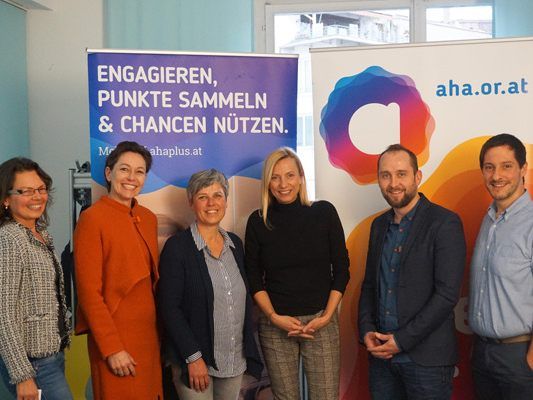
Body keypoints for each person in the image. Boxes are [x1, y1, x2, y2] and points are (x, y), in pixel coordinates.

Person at [358, 144, 466, 400]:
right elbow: (370, 286)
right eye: (385, 175)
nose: (393, 183)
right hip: (382, 360)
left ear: (417, 177)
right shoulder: (378, 225)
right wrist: (366, 331)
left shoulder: (444, 222)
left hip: (427, 361)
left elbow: (447, 295)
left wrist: (402, 340)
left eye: (401, 174)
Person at [245, 147, 350, 399]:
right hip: (277, 325)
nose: (283, 184)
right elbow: (253, 277)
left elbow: (342, 268)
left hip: (320, 322)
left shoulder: (324, 212)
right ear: (267, 182)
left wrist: (326, 316)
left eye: (290, 175)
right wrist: (273, 316)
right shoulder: (258, 221)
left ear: (301, 177)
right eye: (275, 177)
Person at [157, 168, 263, 400]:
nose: (211, 203)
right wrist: (193, 357)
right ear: (191, 202)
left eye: (217, 195)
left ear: (226, 200)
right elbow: (169, 308)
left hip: (233, 360)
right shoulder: (178, 248)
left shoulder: (235, 244)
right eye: (202, 196)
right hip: (194, 362)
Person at [74, 141, 163, 399]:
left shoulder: (148, 218)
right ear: (109, 173)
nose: (131, 178)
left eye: (139, 171)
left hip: (150, 338)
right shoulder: (92, 219)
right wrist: (112, 348)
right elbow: (89, 293)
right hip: (116, 339)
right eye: (124, 169)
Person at [0, 157, 72, 400]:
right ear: (6, 199)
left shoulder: (39, 234)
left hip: (51, 357)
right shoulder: (10, 238)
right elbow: (3, 312)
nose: (37, 197)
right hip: (33, 364)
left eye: (41, 189)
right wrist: (22, 375)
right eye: (26, 191)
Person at [468, 133, 533, 400]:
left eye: (506, 166)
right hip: (482, 354)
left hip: (519, 357)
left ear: (523, 170)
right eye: (489, 167)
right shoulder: (488, 220)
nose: (497, 176)